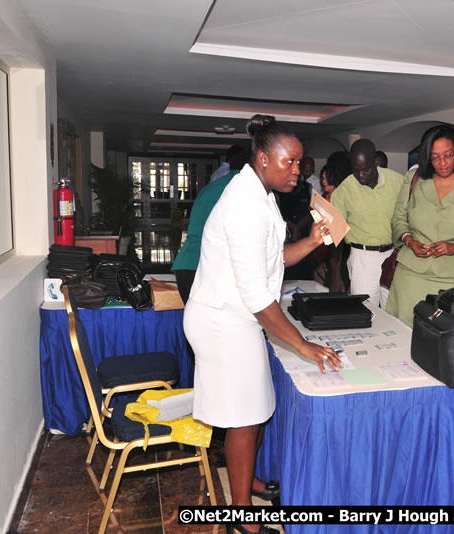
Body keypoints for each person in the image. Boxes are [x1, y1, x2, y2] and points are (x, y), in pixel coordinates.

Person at [184, 115, 342, 534]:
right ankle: (242, 517)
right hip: (223, 320)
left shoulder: (259, 191)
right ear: (262, 157)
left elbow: (274, 259)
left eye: (300, 163)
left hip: (236, 317)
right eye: (290, 162)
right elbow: (257, 298)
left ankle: (247, 481)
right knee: (244, 415)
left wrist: (311, 241)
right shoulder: (244, 205)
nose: (298, 170)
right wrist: (304, 345)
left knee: (253, 405)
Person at [386, 124, 454, 326]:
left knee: (451, 345)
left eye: (447, 155)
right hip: (411, 276)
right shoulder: (414, 179)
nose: (442, 163)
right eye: (435, 157)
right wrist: (409, 240)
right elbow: (398, 219)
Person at [329, 139, 404, 306]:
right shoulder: (344, 190)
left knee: (392, 312)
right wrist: (335, 275)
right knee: (365, 311)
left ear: (376, 162)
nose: (361, 175)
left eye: (366, 170)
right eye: (356, 170)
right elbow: (335, 237)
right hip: (362, 259)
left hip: (393, 255)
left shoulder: (397, 182)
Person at [171, 145, 250, 303]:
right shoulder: (242, 188)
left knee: (198, 324)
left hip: (187, 263)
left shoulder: (214, 186)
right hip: (207, 267)